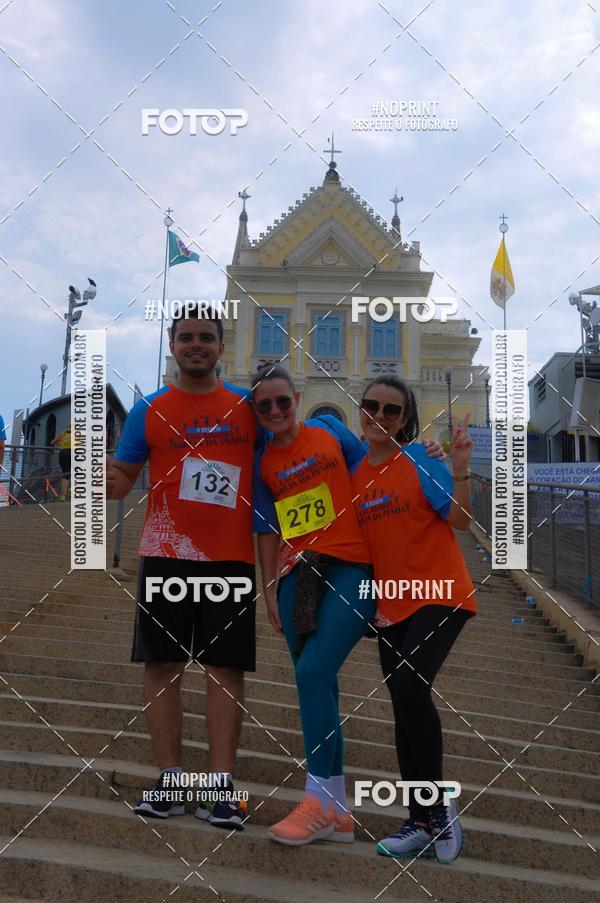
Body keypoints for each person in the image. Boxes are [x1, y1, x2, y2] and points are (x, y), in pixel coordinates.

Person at [107, 304, 267, 829]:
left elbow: (290, 455)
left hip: (231, 559)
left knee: (224, 672)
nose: (195, 344)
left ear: (222, 347)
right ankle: (172, 780)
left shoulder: (248, 407)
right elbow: (121, 482)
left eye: (206, 337)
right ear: (172, 346)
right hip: (165, 555)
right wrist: (87, 461)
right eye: (185, 337)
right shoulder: (149, 409)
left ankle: (221, 787)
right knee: (163, 669)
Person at [351, 376, 477, 864]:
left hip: (439, 593)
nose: (379, 417)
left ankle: (439, 809)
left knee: (408, 687)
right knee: (404, 704)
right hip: (390, 604)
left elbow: (460, 521)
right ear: (360, 410)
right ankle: (418, 821)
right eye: (371, 407)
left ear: (405, 421)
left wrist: (461, 469)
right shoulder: (356, 474)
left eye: (392, 411)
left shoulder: (421, 459)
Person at [252, 364, 374, 846]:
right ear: (258, 413)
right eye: (266, 406)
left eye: (283, 401)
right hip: (294, 574)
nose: (277, 411)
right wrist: (268, 590)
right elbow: (266, 528)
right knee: (322, 685)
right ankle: (338, 814)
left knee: (313, 675)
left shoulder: (330, 431)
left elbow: (374, 469)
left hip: (352, 568)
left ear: (297, 397)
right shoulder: (264, 462)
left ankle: (317, 799)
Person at [52, 421, 72, 501]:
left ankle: (63, 496)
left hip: (63, 453)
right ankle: (72, 489)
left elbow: (53, 442)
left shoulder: (63, 433)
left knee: (65, 475)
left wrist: (60, 443)